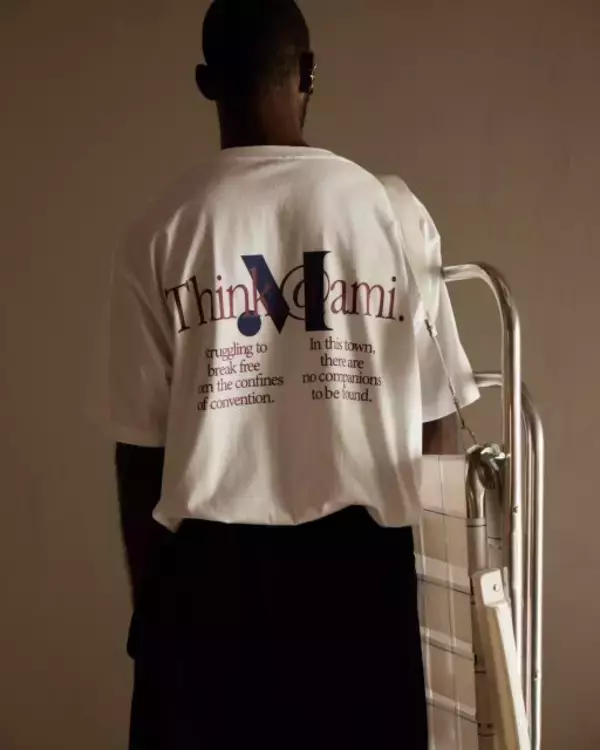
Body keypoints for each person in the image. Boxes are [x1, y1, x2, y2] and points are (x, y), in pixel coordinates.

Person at [109, 1, 479, 748]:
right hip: (361, 582)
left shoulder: (161, 230)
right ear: (309, 72)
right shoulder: (390, 214)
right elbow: (436, 423)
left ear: (205, 82)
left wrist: (154, 611)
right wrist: (431, 593)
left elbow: (140, 452)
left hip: (207, 584)